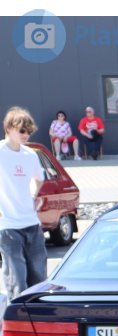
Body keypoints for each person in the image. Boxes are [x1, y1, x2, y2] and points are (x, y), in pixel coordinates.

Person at [0, 108, 47, 300]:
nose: (26, 135)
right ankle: (15, 325)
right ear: (9, 128)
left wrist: (35, 196)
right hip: (8, 226)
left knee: (39, 280)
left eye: (29, 131)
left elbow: (40, 179)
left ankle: (39, 321)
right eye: (22, 131)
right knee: (17, 280)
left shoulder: (30, 155)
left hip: (32, 224)